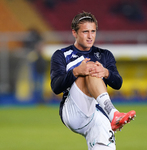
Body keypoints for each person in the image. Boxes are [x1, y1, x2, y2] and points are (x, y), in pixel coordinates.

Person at [50, 12, 136, 150]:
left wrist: (106, 72)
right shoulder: (61, 55)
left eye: (93, 31)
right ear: (74, 33)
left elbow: (118, 83)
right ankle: (114, 114)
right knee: (91, 68)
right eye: (85, 32)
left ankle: (113, 116)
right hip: (74, 111)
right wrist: (76, 71)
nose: (90, 36)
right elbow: (55, 87)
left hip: (98, 113)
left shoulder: (105, 55)